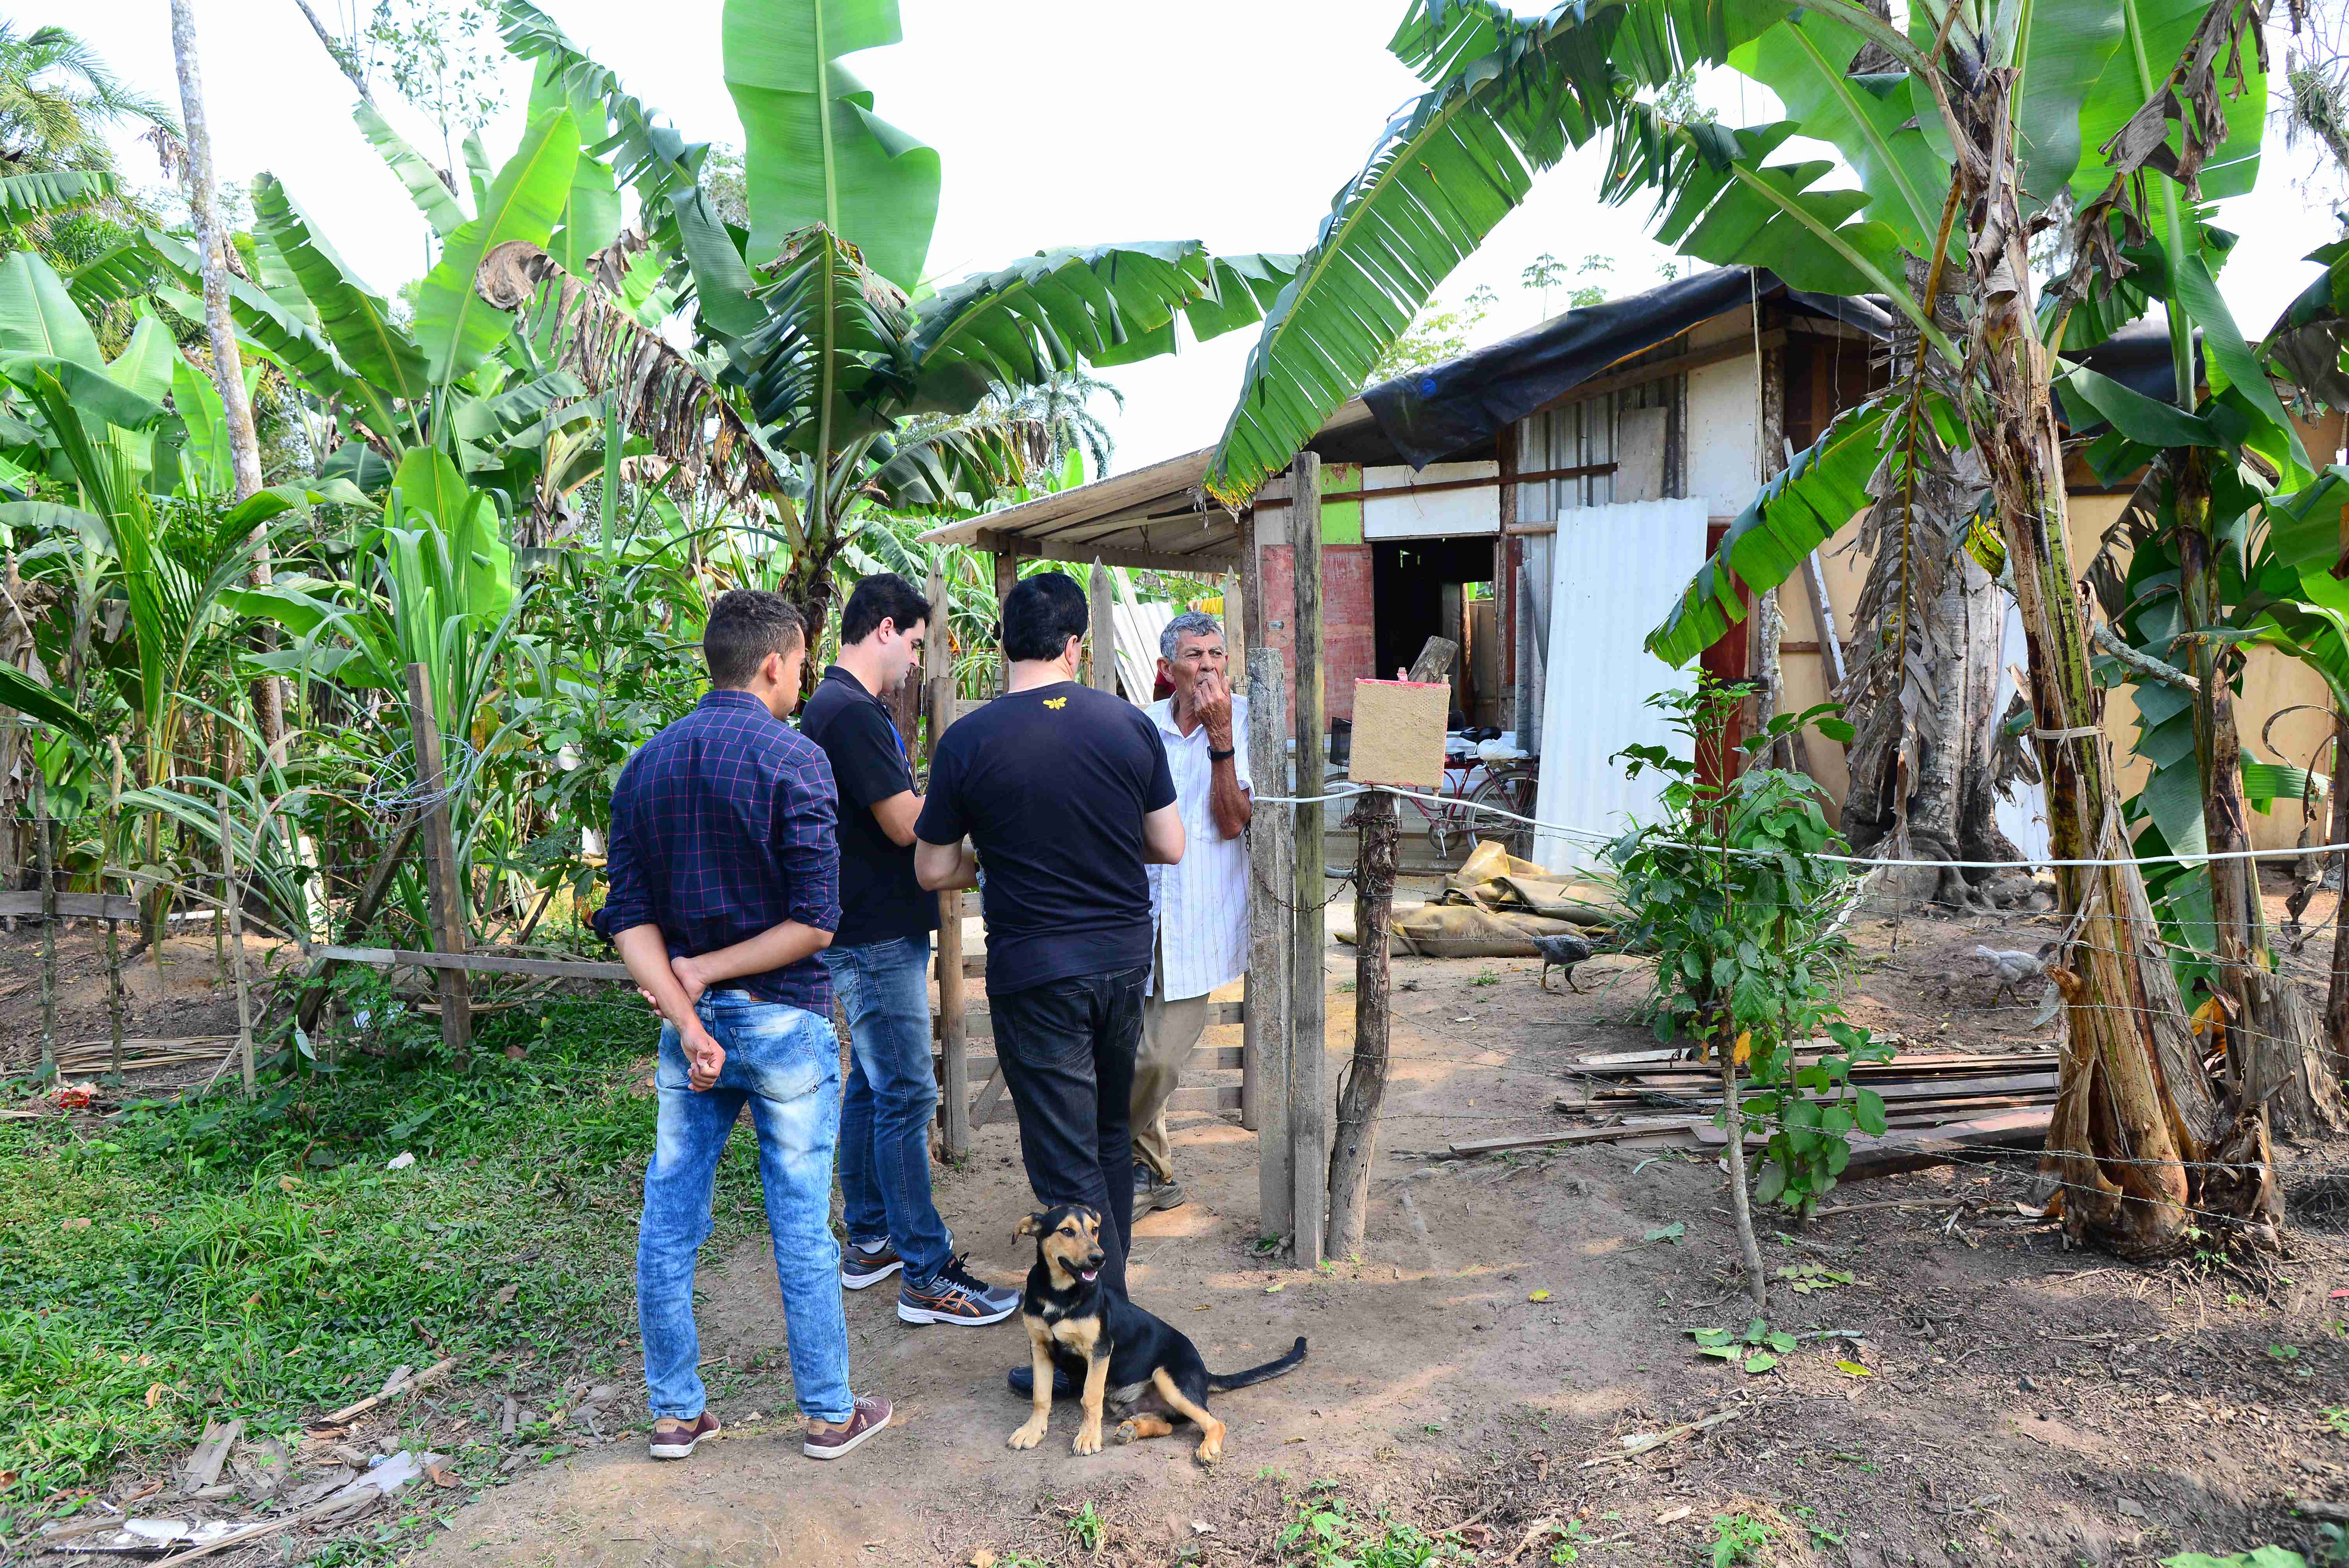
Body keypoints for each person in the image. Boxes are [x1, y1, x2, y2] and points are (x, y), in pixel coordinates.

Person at [595, 589, 891, 1464]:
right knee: (800, 1224)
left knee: (669, 1219)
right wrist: (713, 973)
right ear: (774, 662)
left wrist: (688, 1014)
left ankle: (675, 1415)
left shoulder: (645, 765)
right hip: (785, 1027)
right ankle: (829, 1415)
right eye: (801, 664)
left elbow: (627, 916)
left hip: (696, 1039)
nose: (802, 679)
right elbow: (817, 923)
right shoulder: (795, 761)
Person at [913, 571, 1183, 1375]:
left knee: (1065, 1168)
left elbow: (932, 869)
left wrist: (996, 857)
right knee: (1108, 1139)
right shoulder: (1128, 725)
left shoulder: (968, 739)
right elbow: (1167, 843)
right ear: (1075, 647)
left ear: (1003, 646)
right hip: (1118, 961)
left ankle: (1092, 1351)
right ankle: (1119, 1322)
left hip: (1036, 970)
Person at [799, 572, 1021, 1327]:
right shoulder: (852, 715)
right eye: (917, 644)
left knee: (872, 1084)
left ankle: (870, 1238)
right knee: (906, 1095)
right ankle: (927, 1273)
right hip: (872, 937)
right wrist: (980, 819)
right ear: (887, 629)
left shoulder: (835, 707)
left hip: (864, 927)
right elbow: (905, 825)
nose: (916, 663)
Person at [1131, 611, 1253, 1215]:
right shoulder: (1141, 727)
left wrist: (1221, 738)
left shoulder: (1246, 721)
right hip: (1135, 914)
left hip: (1200, 921)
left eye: (1216, 655)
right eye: (1195, 657)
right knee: (1122, 1046)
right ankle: (1153, 1174)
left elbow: (1233, 821)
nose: (1208, 667)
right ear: (1166, 670)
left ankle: (1091, 1149)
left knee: (1155, 1059)